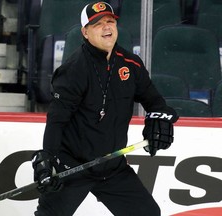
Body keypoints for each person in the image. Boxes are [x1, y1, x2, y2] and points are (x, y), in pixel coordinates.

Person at [32, 1, 178, 215]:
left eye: (110, 21)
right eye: (98, 23)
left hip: (112, 165)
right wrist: (48, 158)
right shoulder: (74, 70)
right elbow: (56, 120)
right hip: (73, 166)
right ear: (85, 32)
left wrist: (159, 120)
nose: (107, 27)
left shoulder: (131, 64)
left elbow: (155, 102)